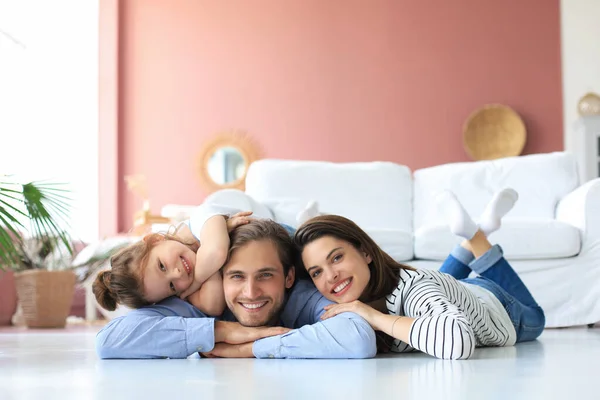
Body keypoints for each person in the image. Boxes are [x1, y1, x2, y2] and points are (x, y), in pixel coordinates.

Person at [293, 188, 545, 360]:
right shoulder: (333, 301)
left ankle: (477, 238)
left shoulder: (412, 287)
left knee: (538, 317)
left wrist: (373, 315)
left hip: (496, 306)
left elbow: (458, 340)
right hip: (446, 290)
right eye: (316, 272)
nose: (330, 277)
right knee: (434, 282)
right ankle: (476, 232)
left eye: (337, 257)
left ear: (366, 252)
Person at [95, 218, 377, 359]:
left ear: (289, 277)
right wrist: (223, 331)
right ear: (217, 274)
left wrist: (251, 347)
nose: (251, 292)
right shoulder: (193, 299)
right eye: (236, 277)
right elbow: (109, 340)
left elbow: (357, 338)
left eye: (265, 275)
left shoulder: (298, 294)